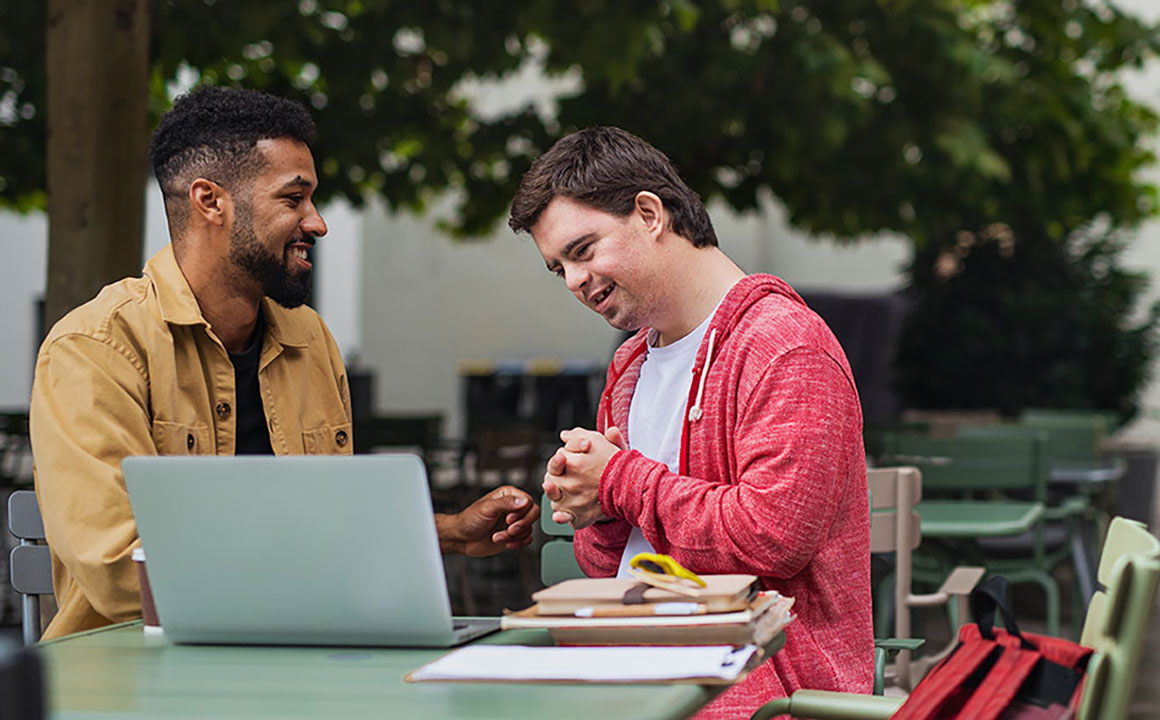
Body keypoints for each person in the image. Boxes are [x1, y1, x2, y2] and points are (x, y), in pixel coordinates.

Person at [30, 86, 539, 641]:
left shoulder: (309, 338)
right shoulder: (94, 347)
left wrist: (444, 532)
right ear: (210, 201)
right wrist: (322, 570)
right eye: (293, 199)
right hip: (133, 674)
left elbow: (328, 517)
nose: (317, 223)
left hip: (300, 652)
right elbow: (119, 572)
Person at [508, 127, 872, 717]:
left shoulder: (785, 345)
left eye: (583, 250)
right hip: (632, 678)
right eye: (558, 269)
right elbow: (611, 562)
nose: (574, 281)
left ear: (650, 213)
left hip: (758, 697)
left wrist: (619, 480)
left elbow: (771, 539)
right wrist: (593, 507)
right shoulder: (630, 362)